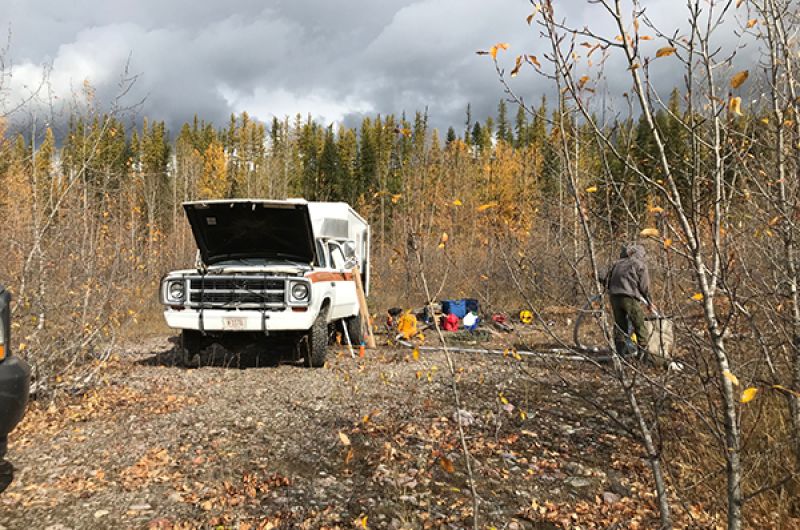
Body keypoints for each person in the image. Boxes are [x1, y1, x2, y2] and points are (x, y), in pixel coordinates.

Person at [605, 243, 653, 359]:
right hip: (629, 297)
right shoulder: (639, 264)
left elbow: (603, 276)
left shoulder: (617, 263)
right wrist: (650, 302)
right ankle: (643, 356)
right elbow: (644, 286)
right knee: (639, 324)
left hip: (614, 297)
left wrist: (610, 287)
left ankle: (619, 356)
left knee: (620, 326)